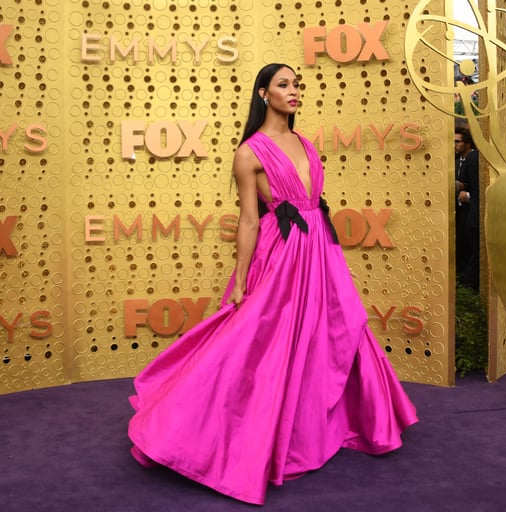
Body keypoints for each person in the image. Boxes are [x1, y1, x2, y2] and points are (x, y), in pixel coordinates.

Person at [127, 63, 418, 506]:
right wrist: (241, 279)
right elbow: (249, 219)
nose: (294, 90)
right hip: (281, 254)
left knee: (335, 332)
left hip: (320, 247)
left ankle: (332, 427)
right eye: (284, 85)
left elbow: (313, 204)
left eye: (296, 84)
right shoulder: (250, 152)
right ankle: (193, 429)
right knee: (264, 341)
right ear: (264, 94)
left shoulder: (305, 142)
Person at [454, 127, 480, 293]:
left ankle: (470, 286)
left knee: (474, 250)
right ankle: (462, 283)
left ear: (467, 143)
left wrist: (468, 196)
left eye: (458, 142)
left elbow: (479, 187)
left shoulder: (473, 158)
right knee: (462, 248)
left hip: (472, 214)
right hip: (461, 214)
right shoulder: (458, 161)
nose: (455, 145)